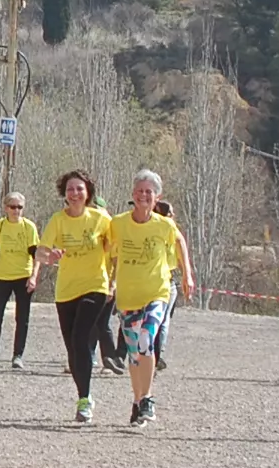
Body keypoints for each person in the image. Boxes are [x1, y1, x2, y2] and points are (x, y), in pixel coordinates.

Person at [109, 169, 193, 425]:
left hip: (157, 293)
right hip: (128, 296)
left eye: (149, 192)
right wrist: (107, 280)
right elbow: (107, 251)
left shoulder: (164, 225)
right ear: (132, 194)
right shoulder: (118, 223)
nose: (143, 196)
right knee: (134, 354)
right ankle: (137, 401)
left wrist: (188, 275)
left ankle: (147, 398)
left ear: (157, 197)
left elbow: (180, 242)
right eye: (140, 191)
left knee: (147, 339)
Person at [37, 170, 114, 423]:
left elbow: (115, 249)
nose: (75, 193)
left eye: (79, 188)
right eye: (70, 189)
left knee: (81, 338)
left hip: (95, 286)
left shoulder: (101, 219)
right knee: (72, 347)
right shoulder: (58, 220)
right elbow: (40, 252)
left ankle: (84, 400)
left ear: (88, 192)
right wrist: (50, 256)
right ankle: (85, 394)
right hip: (66, 290)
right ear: (64, 193)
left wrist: (114, 281)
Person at [0, 193, 39, 368]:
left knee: (22, 317)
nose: (16, 211)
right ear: (6, 208)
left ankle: (18, 355)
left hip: (23, 275)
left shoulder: (29, 227)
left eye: (19, 207)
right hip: (3, 276)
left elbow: (36, 255)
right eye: (13, 207)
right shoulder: (0, 226)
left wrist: (33, 276)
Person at [150, 198, 187, 371]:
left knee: (160, 320)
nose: (174, 215)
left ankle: (155, 354)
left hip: (166, 278)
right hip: (160, 279)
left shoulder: (165, 229)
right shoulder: (167, 229)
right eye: (171, 212)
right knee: (162, 321)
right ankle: (155, 354)